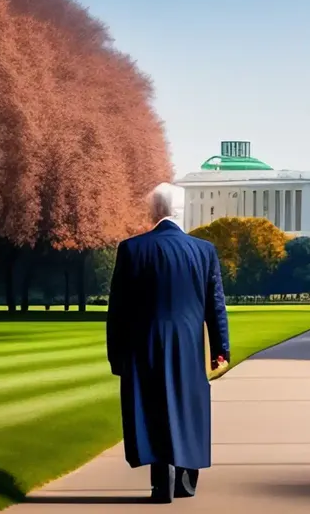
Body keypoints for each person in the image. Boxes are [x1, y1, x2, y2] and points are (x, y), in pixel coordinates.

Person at [106, 185, 231, 503]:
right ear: (181, 211)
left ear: (154, 211)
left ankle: (161, 481)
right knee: (188, 406)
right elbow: (214, 307)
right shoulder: (203, 251)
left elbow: (117, 310)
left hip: (143, 342)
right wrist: (220, 350)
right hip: (188, 342)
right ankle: (186, 480)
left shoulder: (132, 249)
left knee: (152, 407)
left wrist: (116, 356)